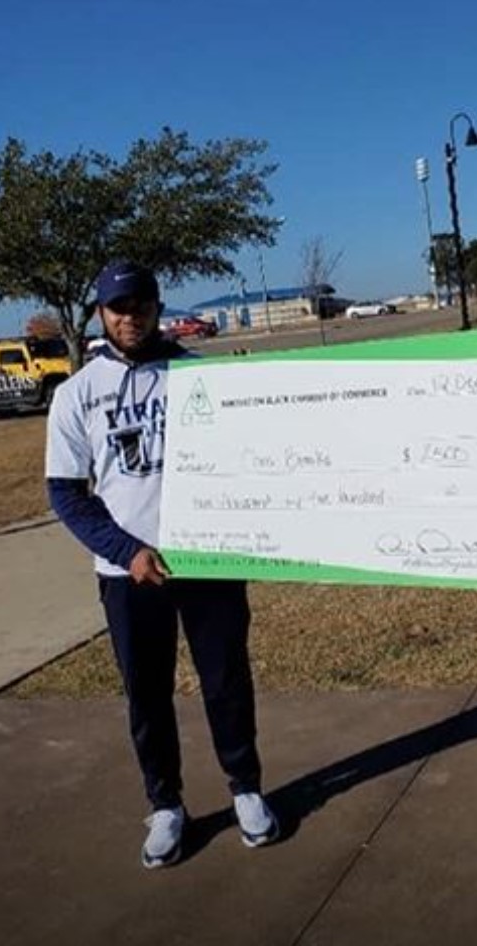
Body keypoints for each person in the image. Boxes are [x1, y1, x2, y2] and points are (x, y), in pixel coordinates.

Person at [45, 260, 279, 868]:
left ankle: (246, 790)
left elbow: (251, 459)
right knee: (146, 695)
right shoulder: (76, 395)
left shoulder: (199, 377)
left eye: (141, 303)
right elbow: (67, 494)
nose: (131, 316)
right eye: (119, 306)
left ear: (157, 305)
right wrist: (129, 552)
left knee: (226, 679)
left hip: (208, 561)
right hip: (129, 575)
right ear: (100, 312)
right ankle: (166, 806)